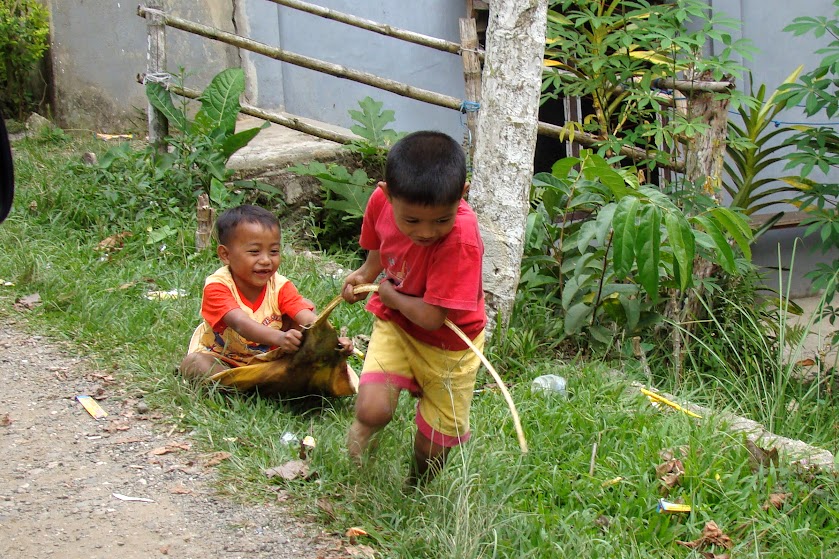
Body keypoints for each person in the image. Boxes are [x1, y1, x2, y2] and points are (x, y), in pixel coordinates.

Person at [342, 130, 486, 487]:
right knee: (370, 409)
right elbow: (378, 245)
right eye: (412, 221)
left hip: (450, 347)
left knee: (434, 442)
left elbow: (433, 317)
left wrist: (390, 297)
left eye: (441, 220)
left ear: (462, 195)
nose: (425, 232)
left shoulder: (461, 240)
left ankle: (415, 489)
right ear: (388, 194)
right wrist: (365, 274)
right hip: (398, 326)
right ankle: (356, 481)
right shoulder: (381, 202)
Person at [180, 204, 352, 380]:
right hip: (223, 358)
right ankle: (240, 386)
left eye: (274, 251)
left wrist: (333, 341)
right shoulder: (218, 286)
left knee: (307, 308)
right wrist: (279, 338)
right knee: (195, 363)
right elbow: (240, 323)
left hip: (270, 359)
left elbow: (307, 318)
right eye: (254, 252)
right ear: (225, 255)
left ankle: (271, 377)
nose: (266, 260)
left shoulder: (279, 285)